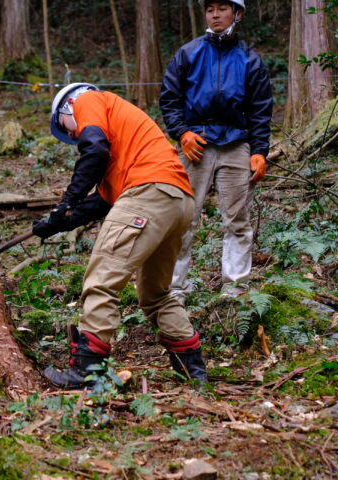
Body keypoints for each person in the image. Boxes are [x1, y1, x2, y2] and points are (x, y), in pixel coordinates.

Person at [33, 83, 208, 388]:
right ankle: (193, 371)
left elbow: (94, 147)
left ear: (67, 107)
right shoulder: (124, 145)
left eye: (68, 129)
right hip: (177, 201)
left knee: (101, 281)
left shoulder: (87, 100)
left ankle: (87, 373)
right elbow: (101, 202)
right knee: (156, 295)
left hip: (147, 194)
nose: (74, 136)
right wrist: (59, 221)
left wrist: (67, 201)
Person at [160, 0, 273, 303]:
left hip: (237, 144)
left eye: (223, 8)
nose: (215, 14)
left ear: (237, 13)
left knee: (237, 219)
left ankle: (235, 288)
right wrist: (182, 132)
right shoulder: (188, 53)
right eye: (210, 8)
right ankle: (174, 290)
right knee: (183, 218)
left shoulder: (250, 61)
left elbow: (261, 110)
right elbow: (169, 98)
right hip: (195, 144)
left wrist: (260, 151)